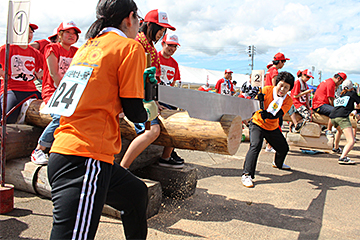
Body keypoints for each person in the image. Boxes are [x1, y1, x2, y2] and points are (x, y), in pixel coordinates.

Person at [47, 0, 154, 239]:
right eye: (139, 21)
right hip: (86, 160)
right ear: (130, 18)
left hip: (64, 151)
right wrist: (150, 109)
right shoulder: (129, 47)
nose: (139, 27)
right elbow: (134, 110)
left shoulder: (86, 47)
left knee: (135, 193)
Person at [120, 9, 184, 169]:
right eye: (160, 29)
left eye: (163, 30)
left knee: (178, 120)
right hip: (135, 97)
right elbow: (130, 77)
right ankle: (122, 169)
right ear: (149, 25)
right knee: (152, 131)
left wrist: (155, 100)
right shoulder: (136, 44)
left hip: (148, 96)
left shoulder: (149, 48)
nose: (161, 33)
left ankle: (166, 157)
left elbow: (151, 80)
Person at [31, 21, 80, 165]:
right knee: (60, 117)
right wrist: (66, 93)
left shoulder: (76, 51)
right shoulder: (52, 48)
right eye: (67, 33)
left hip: (71, 92)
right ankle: (39, 149)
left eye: (74, 34)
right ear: (59, 34)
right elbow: (54, 73)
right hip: (53, 91)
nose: (71, 36)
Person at [241, 71, 294, 188]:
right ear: (276, 83)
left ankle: (277, 163)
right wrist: (258, 99)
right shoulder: (266, 90)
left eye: (286, 87)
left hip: (272, 126)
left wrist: (269, 115)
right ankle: (247, 174)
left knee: (283, 148)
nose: (282, 89)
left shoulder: (288, 100)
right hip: (257, 123)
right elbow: (252, 104)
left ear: (289, 89)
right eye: (281, 85)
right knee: (256, 146)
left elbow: (278, 114)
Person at [0, 23, 43, 124]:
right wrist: (2, 73)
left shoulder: (35, 52)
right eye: (25, 32)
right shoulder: (7, 48)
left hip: (32, 89)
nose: (29, 35)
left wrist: (38, 75)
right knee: (7, 117)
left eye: (31, 32)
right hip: (12, 89)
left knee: (48, 110)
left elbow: (47, 67)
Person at [329, 80, 360, 164]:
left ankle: (336, 147)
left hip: (333, 117)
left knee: (339, 131)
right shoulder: (352, 93)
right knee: (351, 140)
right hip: (342, 117)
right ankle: (343, 157)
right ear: (352, 87)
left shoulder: (341, 95)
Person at [312, 72, 346, 137]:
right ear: (338, 78)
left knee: (335, 110)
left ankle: (325, 127)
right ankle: (328, 129)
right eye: (341, 82)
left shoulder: (328, 81)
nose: (340, 84)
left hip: (319, 104)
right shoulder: (331, 83)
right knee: (335, 111)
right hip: (320, 105)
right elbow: (331, 99)